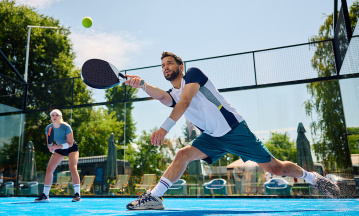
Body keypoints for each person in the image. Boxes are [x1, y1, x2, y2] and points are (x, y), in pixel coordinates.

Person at [125, 52, 340, 210]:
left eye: (169, 63)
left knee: (276, 168)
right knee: (182, 154)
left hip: (235, 130)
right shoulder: (173, 92)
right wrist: (142, 84)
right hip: (211, 138)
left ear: (181, 66)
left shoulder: (193, 74)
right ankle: (155, 197)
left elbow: (185, 101)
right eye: (162, 65)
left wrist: (165, 128)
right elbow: (164, 97)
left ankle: (314, 178)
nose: (165, 67)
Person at [34, 109, 81, 202]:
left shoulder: (66, 127)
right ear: (51, 117)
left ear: (60, 117)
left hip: (71, 148)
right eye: (53, 115)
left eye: (57, 115)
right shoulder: (48, 128)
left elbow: (70, 143)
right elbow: (49, 143)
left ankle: (77, 195)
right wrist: (51, 148)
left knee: (73, 168)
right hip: (59, 148)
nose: (54, 117)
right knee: (49, 169)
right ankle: (45, 196)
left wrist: (56, 147)